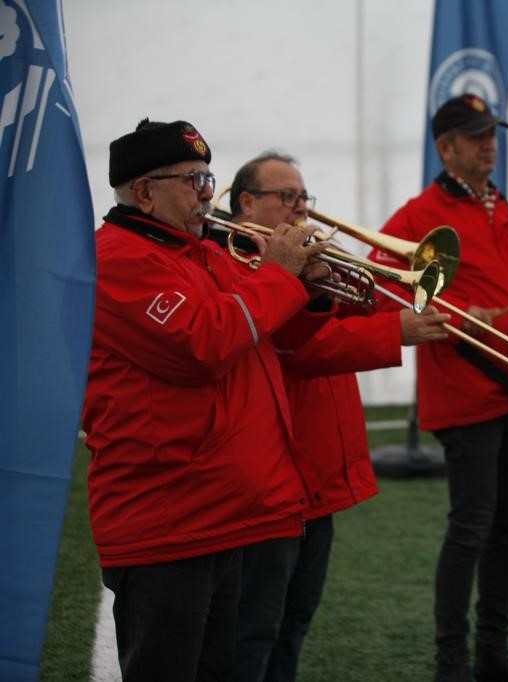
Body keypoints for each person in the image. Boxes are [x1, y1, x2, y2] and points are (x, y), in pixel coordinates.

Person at [81, 119, 330, 682]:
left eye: (207, 176)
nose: (206, 192)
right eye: (192, 178)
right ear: (144, 191)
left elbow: (268, 338)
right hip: (166, 518)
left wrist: (307, 292)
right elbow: (203, 344)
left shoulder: (204, 253)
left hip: (222, 512)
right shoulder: (117, 258)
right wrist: (278, 277)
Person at [369, 94, 508, 682]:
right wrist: (467, 315)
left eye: (492, 133)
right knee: (471, 529)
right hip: (466, 396)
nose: (489, 142)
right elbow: (381, 280)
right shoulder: (417, 216)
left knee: (506, 531)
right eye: (476, 135)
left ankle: (492, 654)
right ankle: (452, 663)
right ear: (446, 148)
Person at [216, 151, 450, 682]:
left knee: (295, 618)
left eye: (305, 197)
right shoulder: (234, 260)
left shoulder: (305, 254)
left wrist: (415, 291)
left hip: (317, 470)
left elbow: (363, 304)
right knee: (254, 627)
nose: (303, 209)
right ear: (247, 203)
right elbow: (291, 350)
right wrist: (394, 334)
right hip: (271, 471)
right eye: (288, 197)